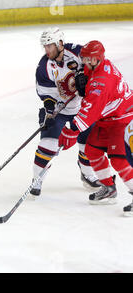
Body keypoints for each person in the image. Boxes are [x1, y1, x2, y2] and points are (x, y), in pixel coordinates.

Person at [58, 40, 133, 216]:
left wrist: (72, 132)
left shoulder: (101, 82)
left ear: (95, 59)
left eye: (86, 59)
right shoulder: (98, 65)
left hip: (122, 119)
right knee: (92, 150)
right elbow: (89, 81)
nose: (83, 61)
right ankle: (109, 188)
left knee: (119, 159)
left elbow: (89, 112)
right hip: (108, 118)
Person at [31, 27, 100, 196]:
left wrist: (87, 80)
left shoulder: (78, 52)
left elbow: (97, 67)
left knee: (88, 144)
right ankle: (37, 179)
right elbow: (46, 92)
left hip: (83, 107)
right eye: (45, 46)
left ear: (60, 43)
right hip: (60, 108)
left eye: (50, 46)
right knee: (48, 144)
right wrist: (49, 108)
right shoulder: (44, 66)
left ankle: (87, 174)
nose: (47, 50)